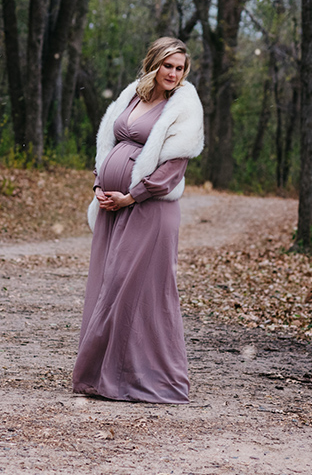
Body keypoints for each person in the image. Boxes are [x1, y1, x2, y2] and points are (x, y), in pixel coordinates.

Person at [72, 36, 204, 404]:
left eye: (180, 68)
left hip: (150, 208)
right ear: (153, 64)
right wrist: (101, 183)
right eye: (168, 65)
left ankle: (151, 378)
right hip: (113, 208)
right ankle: (100, 375)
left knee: (138, 291)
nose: (173, 74)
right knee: (106, 285)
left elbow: (173, 168)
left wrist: (132, 195)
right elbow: (108, 144)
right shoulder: (133, 95)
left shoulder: (185, 108)